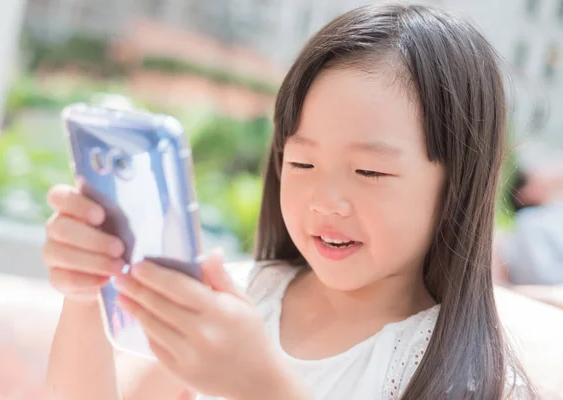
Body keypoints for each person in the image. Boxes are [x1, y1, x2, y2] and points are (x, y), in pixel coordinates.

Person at [43, 3, 536, 399]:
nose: (326, 202)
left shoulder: (472, 381)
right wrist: (87, 295)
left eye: (370, 171)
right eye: (302, 163)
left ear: (458, 183)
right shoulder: (240, 300)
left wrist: (260, 386)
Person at [493, 162, 563, 307]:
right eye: (536, 181)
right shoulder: (529, 221)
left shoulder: (546, 216)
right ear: (522, 194)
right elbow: (542, 274)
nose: (544, 183)